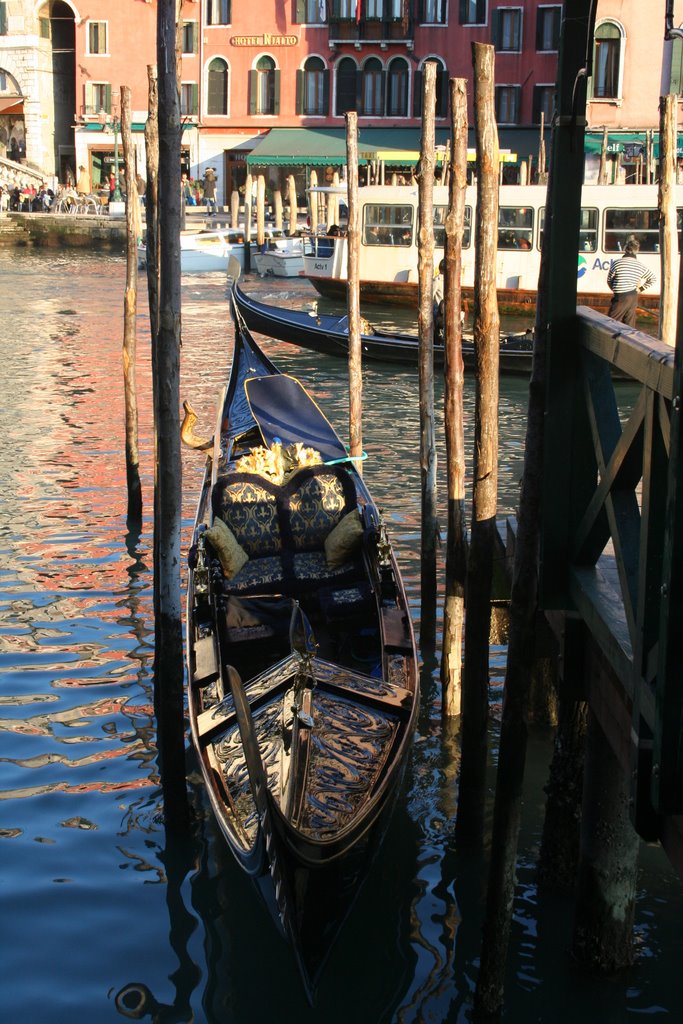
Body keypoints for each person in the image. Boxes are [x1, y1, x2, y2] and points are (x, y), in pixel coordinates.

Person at [607, 235, 656, 327]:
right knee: (629, 324)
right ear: (637, 251)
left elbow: (609, 280)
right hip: (633, 296)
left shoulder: (617, 263)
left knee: (610, 323)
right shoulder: (640, 265)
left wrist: (615, 290)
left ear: (625, 249)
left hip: (620, 296)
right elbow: (652, 278)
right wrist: (640, 289)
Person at [433, 258, 446, 340]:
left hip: (439, 311)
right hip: (441, 311)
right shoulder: (440, 280)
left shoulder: (437, 280)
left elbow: (429, 296)